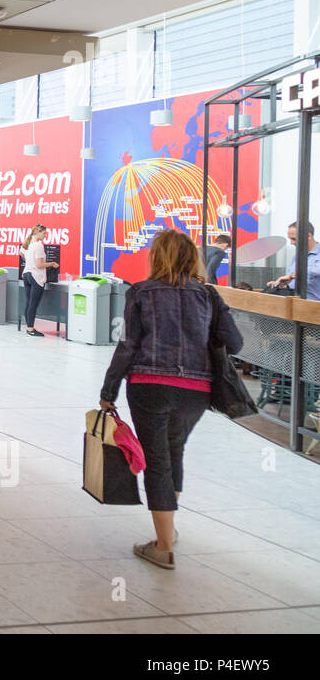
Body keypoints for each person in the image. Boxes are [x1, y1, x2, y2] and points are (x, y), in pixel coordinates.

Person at [99, 229, 243, 570]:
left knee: (157, 462)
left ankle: (163, 546)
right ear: (191, 257)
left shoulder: (141, 292)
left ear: (157, 257)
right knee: (174, 452)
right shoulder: (208, 296)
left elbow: (128, 346)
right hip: (195, 390)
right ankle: (169, 530)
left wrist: (108, 392)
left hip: (149, 386)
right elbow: (234, 344)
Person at [267, 221, 319, 300]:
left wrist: (292, 276)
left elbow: (313, 273)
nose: (291, 243)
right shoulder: (297, 257)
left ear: (308, 236)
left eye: (294, 239)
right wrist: (281, 285)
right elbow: (292, 281)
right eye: (290, 239)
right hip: (294, 305)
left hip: (314, 307)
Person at [20, 225, 57, 336]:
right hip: (36, 276)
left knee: (28, 303)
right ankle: (31, 329)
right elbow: (39, 265)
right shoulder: (38, 245)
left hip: (26, 274)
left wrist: (29, 260)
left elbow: (21, 253)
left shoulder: (28, 243)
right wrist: (52, 264)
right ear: (38, 233)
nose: (45, 235)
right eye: (44, 233)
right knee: (33, 304)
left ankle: (28, 327)